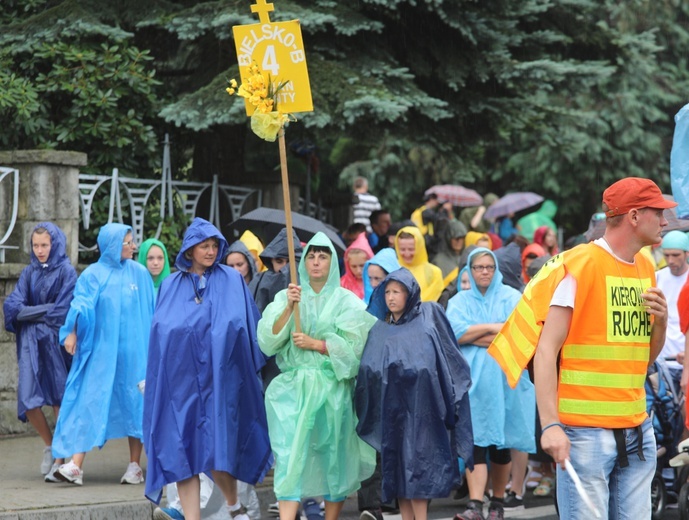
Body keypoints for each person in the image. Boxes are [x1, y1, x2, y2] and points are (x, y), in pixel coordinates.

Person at [488, 177, 674, 518]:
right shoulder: (579, 265)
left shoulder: (647, 267)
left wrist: (660, 323)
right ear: (633, 217)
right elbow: (545, 351)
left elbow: (644, 357)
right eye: (658, 212)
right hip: (584, 433)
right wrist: (551, 426)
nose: (665, 221)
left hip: (636, 427)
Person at [143, 218, 272, 520]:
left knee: (215, 452)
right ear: (190, 249)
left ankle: (233, 504)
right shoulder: (170, 285)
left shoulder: (231, 280)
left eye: (215, 245)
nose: (212, 251)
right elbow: (160, 332)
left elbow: (246, 327)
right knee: (182, 452)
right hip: (180, 383)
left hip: (220, 380)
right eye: (205, 246)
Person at [257, 232, 377, 520]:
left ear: (332, 261)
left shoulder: (348, 302)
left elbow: (358, 351)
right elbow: (268, 341)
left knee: (334, 455)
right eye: (311, 255)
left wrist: (319, 345)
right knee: (289, 454)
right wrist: (288, 307)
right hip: (294, 389)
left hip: (333, 389)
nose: (316, 261)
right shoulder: (289, 295)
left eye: (322, 256)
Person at [355, 269, 474, 520]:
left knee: (418, 472)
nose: (391, 297)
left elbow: (440, 364)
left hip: (423, 412)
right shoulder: (379, 331)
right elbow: (369, 370)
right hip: (393, 413)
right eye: (386, 292)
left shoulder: (427, 323)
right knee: (398, 472)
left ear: (409, 293)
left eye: (396, 291)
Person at [51, 223, 156, 486]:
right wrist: (73, 331)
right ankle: (76, 465)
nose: (133, 247)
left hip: (135, 351)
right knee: (91, 398)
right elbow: (81, 302)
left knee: (136, 403)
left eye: (133, 241)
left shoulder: (140, 274)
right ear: (111, 245)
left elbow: (152, 309)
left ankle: (135, 466)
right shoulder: (93, 274)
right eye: (127, 242)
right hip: (102, 350)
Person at [447, 249, 535, 520]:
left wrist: (475, 332)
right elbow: (455, 333)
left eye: (488, 267)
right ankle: (475, 503)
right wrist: (496, 329)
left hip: (506, 383)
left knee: (501, 445)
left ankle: (496, 501)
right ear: (470, 271)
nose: (484, 272)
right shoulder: (459, 300)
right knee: (475, 444)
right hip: (471, 385)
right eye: (478, 267)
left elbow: (519, 332)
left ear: (495, 269)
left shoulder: (511, 296)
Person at [3, 222, 77, 482]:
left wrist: (33, 312)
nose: (40, 250)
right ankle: (49, 444)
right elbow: (13, 308)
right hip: (30, 344)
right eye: (35, 245)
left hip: (55, 344)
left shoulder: (67, 272)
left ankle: (60, 457)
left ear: (54, 243)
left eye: (44, 245)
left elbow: (63, 310)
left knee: (58, 397)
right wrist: (43, 310)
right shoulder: (28, 273)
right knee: (28, 397)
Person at [656, 231, 689, 382]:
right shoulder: (657, 277)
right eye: (666, 255)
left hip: (685, 360)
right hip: (662, 362)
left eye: (676, 255)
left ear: (686, 254)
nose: (670, 260)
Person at [394, 226, 444, 302]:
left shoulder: (434, 272)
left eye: (411, 249)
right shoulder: (391, 269)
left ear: (420, 247)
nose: (407, 253)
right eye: (402, 249)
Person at [431, 220, 468, 288]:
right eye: (456, 238)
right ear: (448, 239)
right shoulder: (438, 261)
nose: (459, 241)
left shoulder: (468, 258)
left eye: (461, 238)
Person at [341, 232, 374, 299]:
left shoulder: (377, 281)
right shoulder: (342, 284)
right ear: (347, 265)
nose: (358, 270)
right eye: (354, 266)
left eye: (362, 265)